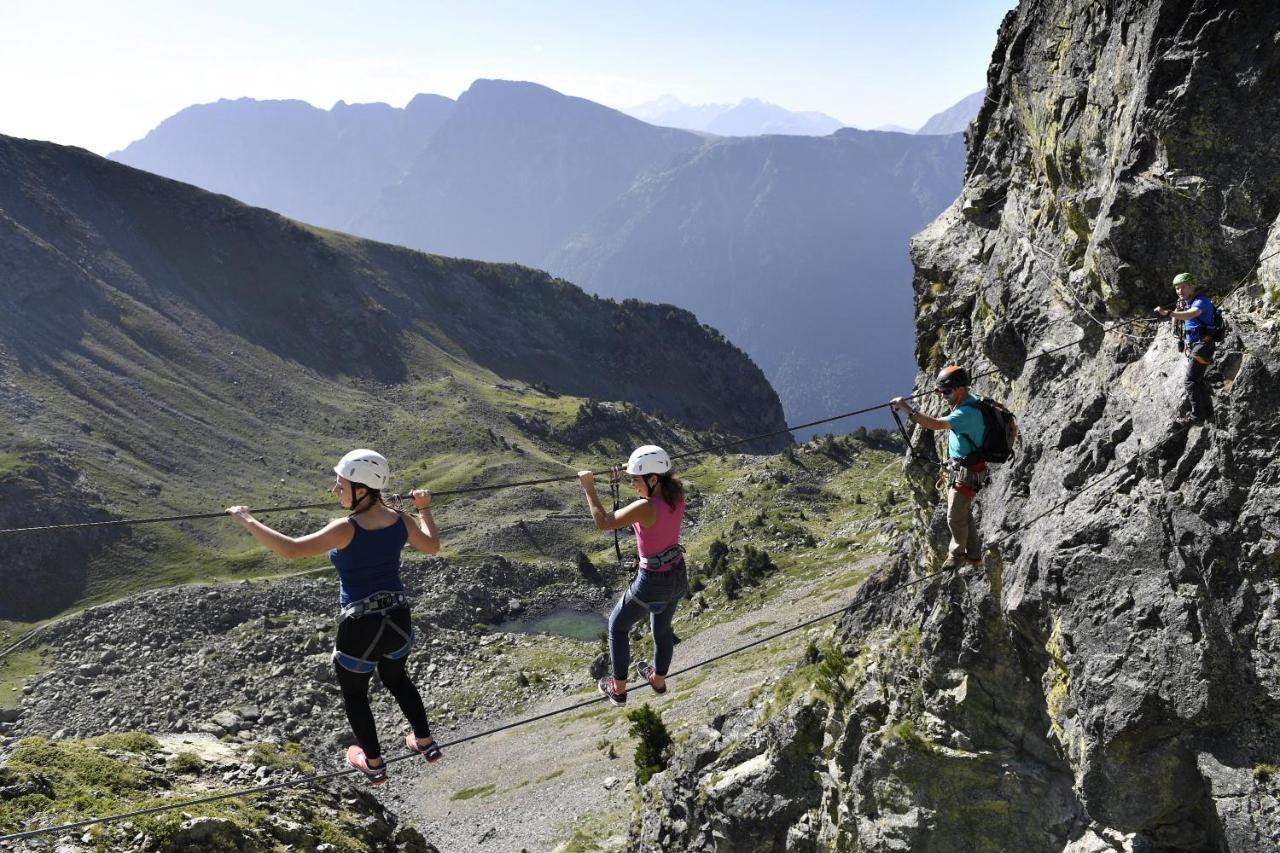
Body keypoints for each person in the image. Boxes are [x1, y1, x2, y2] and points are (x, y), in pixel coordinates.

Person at [227, 448, 442, 784]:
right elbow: (431, 546)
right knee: (397, 679)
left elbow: (292, 550)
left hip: (361, 625)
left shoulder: (346, 528)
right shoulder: (401, 519)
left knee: (355, 694)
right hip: (398, 619)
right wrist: (424, 510)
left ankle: (373, 763)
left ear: (362, 489)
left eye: (341, 484)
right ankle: (425, 743)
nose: (335, 490)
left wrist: (247, 520)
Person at [578, 445, 688, 707]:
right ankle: (658, 681)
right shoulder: (676, 494)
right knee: (661, 630)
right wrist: (630, 469)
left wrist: (589, 487)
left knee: (617, 626)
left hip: (652, 580)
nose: (632, 485)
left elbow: (604, 522)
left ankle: (617, 689)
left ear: (653, 479)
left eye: (635, 480)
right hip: (677, 572)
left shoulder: (645, 507)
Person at [891, 366, 987, 569]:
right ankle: (975, 554)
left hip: (967, 471)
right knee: (963, 512)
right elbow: (951, 402)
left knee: (954, 515)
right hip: (964, 469)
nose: (943, 396)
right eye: (941, 392)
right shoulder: (969, 401)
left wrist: (905, 407)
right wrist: (944, 390)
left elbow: (934, 424)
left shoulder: (965, 413)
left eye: (947, 392)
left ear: (960, 389)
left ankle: (957, 555)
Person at [1155, 272, 1217, 425]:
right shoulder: (1186, 303)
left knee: (1190, 381)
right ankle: (1208, 412)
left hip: (1204, 345)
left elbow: (1191, 315)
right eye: (1177, 288)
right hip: (1197, 346)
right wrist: (1175, 313)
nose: (1179, 291)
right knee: (1198, 380)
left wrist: (1168, 312)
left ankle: (1197, 416)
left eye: (1183, 287)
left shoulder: (1201, 302)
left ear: (1192, 286)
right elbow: (1181, 319)